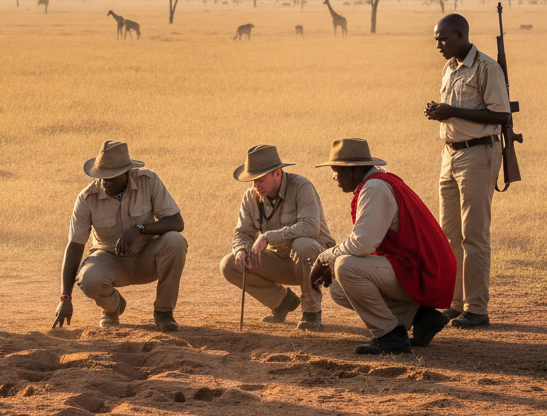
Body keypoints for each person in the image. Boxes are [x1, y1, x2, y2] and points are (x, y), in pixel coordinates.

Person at [309, 139, 457, 355]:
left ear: (353, 170)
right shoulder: (379, 182)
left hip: (425, 271)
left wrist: (325, 258)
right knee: (339, 289)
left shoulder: (375, 188)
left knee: (345, 267)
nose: (335, 178)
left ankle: (390, 336)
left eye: (336, 172)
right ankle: (422, 316)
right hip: (425, 267)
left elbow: (362, 244)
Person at [424, 13, 510, 328]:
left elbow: (501, 115)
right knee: (449, 235)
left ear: (461, 35)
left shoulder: (487, 67)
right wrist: (439, 111)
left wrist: (452, 111)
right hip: (450, 154)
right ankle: (455, 303)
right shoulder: (449, 68)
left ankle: (476, 308)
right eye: (436, 39)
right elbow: (455, 111)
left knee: (474, 234)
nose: (439, 45)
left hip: (478, 154)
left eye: (444, 39)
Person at [52, 141, 187, 332]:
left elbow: (176, 222)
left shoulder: (149, 181)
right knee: (89, 279)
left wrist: (140, 228)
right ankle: (113, 307)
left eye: (111, 177)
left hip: (147, 258)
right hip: (110, 260)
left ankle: (164, 311)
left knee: (175, 241)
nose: (104, 182)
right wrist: (65, 298)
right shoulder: (86, 198)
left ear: (127, 173)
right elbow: (75, 246)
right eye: (101, 176)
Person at [219, 145, 335, 329]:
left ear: (278, 174)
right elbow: (243, 232)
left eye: (260, 180)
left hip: (316, 264)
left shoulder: (301, 187)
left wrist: (268, 237)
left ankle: (311, 312)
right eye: (253, 180)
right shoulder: (250, 196)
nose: (255, 185)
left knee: (303, 245)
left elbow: (310, 228)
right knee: (230, 264)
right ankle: (282, 302)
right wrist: (241, 249)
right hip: (282, 261)